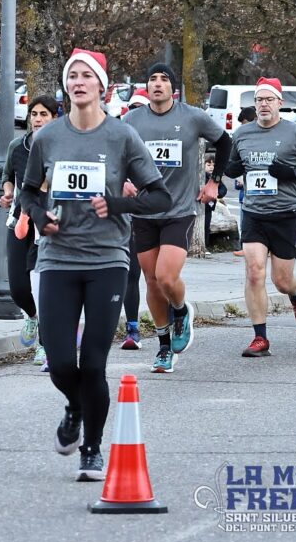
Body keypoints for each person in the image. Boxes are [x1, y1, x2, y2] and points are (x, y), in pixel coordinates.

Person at [19, 48, 171, 481]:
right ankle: (74, 407)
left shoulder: (122, 137)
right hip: (58, 260)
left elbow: (158, 195)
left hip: (107, 261)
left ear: (102, 87)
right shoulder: (48, 137)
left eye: (88, 75)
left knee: (94, 365)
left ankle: (91, 449)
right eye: (73, 76)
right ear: (67, 86)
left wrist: (118, 204)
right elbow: (30, 190)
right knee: (62, 362)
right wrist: (39, 215)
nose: (79, 81)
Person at [123, 62, 231, 373]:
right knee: (152, 283)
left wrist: (214, 182)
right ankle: (164, 347)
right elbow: (115, 154)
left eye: (163, 79)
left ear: (174, 88)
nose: (157, 84)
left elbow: (225, 142)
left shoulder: (192, 116)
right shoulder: (132, 120)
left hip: (179, 210)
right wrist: (122, 181)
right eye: (152, 79)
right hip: (144, 212)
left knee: (166, 277)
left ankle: (182, 312)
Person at [225, 77, 296, 357]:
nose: (263, 104)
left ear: (280, 103)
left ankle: (295, 294)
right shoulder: (242, 134)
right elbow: (233, 165)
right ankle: (260, 338)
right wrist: (228, 171)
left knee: (281, 280)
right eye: (258, 100)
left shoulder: (294, 133)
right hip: (254, 214)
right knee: (254, 272)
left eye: (269, 99)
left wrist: (290, 173)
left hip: (286, 214)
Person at [1, 95, 56, 368]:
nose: (37, 119)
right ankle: (32, 316)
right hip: (20, 218)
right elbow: (8, 176)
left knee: (41, 286)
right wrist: (8, 192)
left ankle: (44, 347)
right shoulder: (17, 147)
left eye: (44, 114)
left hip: (47, 223)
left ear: (55, 118)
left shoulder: (62, 147)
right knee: (18, 288)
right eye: (34, 114)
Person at [120, 90, 150, 350]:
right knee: (128, 272)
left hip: (156, 216)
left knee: (154, 275)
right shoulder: (119, 139)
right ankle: (130, 327)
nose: (136, 114)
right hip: (125, 217)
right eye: (132, 108)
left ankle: (174, 314)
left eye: (141, 108)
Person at [232, 107, 257, 257]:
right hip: (246, 193)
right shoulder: (241, 138)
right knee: (244, 219)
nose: (243, 128)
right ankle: (245, 245)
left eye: (245, 123)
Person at [202, 153, 228, 248]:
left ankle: (205, 245)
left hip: (209, 206)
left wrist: (216, 193)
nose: (211, 167)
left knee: (206, 226)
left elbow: (223, 189)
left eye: (213, 165)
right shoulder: (201, 176)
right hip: (200, 204)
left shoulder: (215, 177)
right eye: (208, 165)